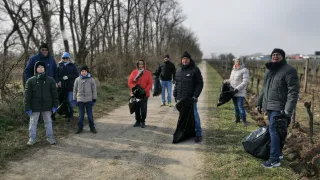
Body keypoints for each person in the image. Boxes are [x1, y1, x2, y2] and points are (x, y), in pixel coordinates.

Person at [257, 48, 299, 168]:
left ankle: (274, 159)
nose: (275, 56)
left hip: (280, 107)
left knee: (274, 131)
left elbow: (293, 92)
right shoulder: (269, 69)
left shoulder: (289, 70)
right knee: (276, 131)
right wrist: (260, 102)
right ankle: (278, 153)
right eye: (273, 54)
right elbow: (264, 88)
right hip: (269, 105)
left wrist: (287, 110)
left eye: (278, 55)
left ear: (283, 57)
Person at [24, 61, 59, 145]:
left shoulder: (50, 80)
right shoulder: (30, 81)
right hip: (34, 106)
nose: (40, 68)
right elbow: (27, 96)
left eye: (42, 67)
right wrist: (27, 107)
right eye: (38, 67)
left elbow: (55, 94)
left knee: (48, 122)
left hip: (47, 105)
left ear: (44, 69)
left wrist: (55, 105)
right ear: (36, 69)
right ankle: (32, 138)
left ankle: (50, 137)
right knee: (33, 122)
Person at [173, 51, 204, 143]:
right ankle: (187, 132)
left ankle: (199, 134)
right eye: (183, 59)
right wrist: (175, 94)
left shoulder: (195, 70)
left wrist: (195, 95)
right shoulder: (178, 70)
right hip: (181, 98)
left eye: (186, 59)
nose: (184, 60)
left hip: (191, 99)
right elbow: (177, 83)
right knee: (183, 117)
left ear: (190, 60)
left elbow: (200, 84)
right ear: (181, 60)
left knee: (195, 116)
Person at [128, 59, 153, 128]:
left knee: (143, 108)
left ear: (144, 65)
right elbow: (130, 82)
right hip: (136, 93)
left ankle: (143, 121)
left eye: (142, 64)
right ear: (137, 65)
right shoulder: (134, 72)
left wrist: (145, 90)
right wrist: (134, 88)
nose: (141, 65)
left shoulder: (148, 73)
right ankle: (138, 121)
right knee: (137, 108)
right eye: (139, 64)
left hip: (144, 94)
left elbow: (150, 83)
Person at [73, 65, 97, 134]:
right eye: (82, 71)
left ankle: (92, 127)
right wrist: (75, 99)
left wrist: (94, 99)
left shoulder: (91, 79)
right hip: (80, 100)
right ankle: (80, 128)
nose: (83, 72)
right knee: (81, 116)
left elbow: (94, 89)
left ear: (87, 71)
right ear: (80, 72)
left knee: (90, 115)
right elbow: (74, 89)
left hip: (89, 100)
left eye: (85, 71)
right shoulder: (77, 79)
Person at [226, 58, 249, 126]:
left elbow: (245, 81)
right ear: (235, 62)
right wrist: (225, 82)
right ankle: (237, 119)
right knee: (235, 106)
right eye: (237, 61)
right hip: (233, 92)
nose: (238, 62)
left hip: (240, 92)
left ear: (241, 62)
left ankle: (244, 121)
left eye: (239, 61)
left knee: (240, 106)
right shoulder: (233, 70)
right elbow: (231, 80)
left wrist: (237, 89)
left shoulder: (244, 70)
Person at [57, 52, 79, 120]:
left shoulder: (72, 65)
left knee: (70, 100)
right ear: (62, 58)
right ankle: (65, 113)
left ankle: (71, 113)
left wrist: (68, 77)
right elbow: (56, 74)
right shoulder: (59, 65)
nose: (65, 59)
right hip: (62, 86)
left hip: (70, 86)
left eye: (67, 58)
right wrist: (58, 81)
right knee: (63, 100)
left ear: (69, 58)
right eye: (64, 58)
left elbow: (76, 74)